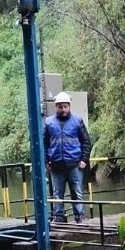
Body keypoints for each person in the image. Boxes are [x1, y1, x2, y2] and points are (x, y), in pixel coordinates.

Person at [43, 91, 91, 223]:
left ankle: (79, 217)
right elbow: (44, 144)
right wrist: (46, 161)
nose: (63, 109)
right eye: (60, 107)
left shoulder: (77, 120)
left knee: (77, 192)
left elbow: (86, 141)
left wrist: (83, 159)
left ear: (69, 106)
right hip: (56, 165)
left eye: (65, 106)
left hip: (74, 164)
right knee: (58, 194)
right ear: (56, 107)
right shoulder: (48, 122)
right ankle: (59, 217)